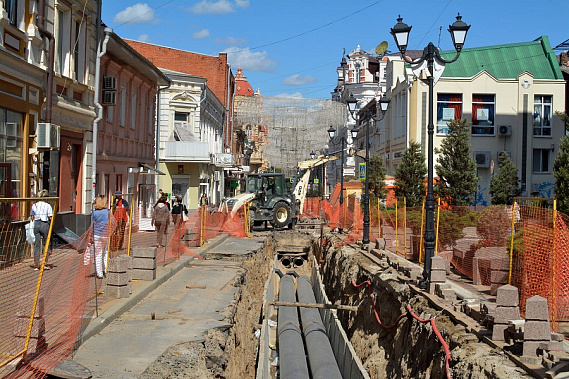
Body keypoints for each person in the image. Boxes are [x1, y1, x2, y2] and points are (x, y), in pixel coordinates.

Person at [30, 189, 53, 271]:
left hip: (36, 223)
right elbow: (50, 217)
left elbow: (32, 216)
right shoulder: (48, 206)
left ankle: (36, 264)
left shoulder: (34, 205)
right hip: (44, 223)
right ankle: (45, 263)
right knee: (46, 244)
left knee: (37, 244)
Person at [91, 195, 111, 279]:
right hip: (105, 234)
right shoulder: (108, 212)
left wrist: (90, 236)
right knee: (106, 252)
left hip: (96, 234)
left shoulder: (94, 213)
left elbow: (91, 225)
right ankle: (107, 270)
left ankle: (99, 273)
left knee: (98, 254)